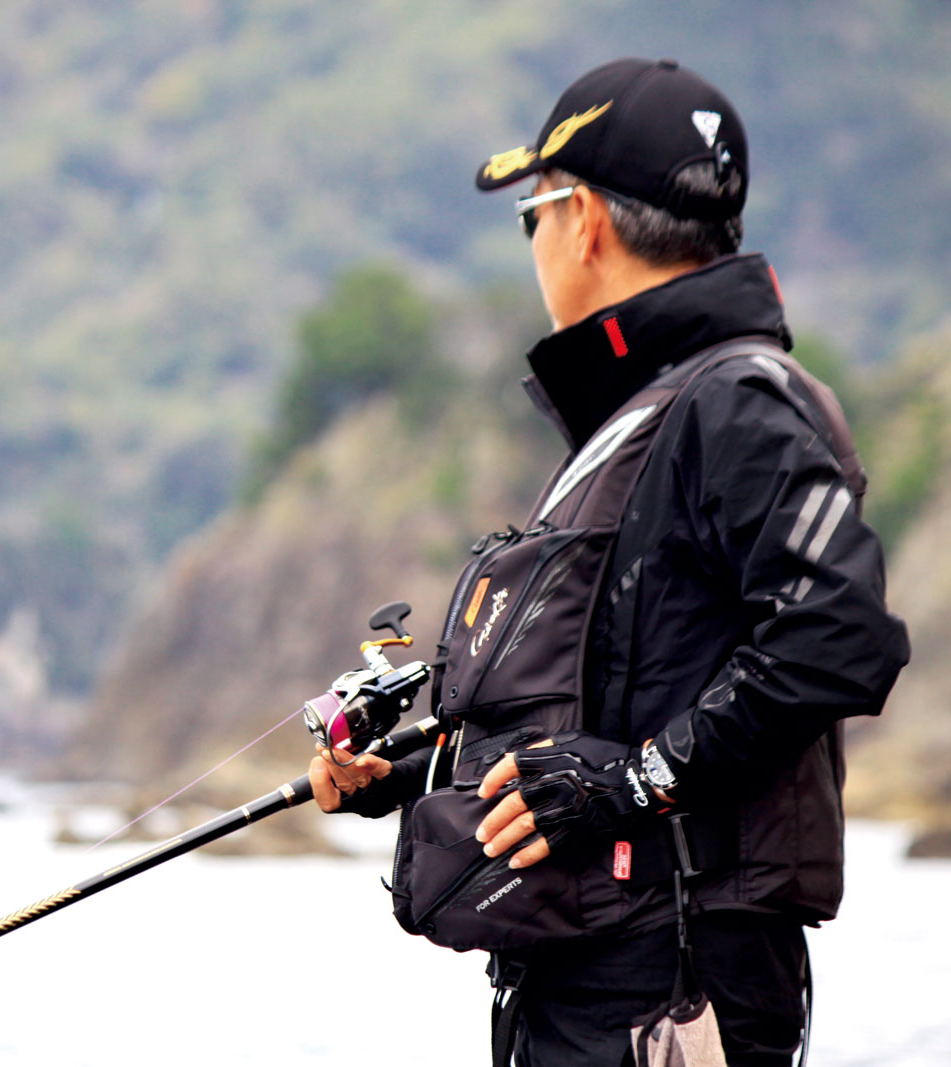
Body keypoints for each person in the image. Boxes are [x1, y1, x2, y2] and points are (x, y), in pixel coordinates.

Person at [307, 57, 909, 1067]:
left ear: (582, 218)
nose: (534, 242)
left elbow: (835, 638)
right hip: (590, 981)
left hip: (673, 984)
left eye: (531, 214)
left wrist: (630, 785)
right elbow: (612, 703)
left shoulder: (738, 399)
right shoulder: (649, 412)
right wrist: (407, 772)